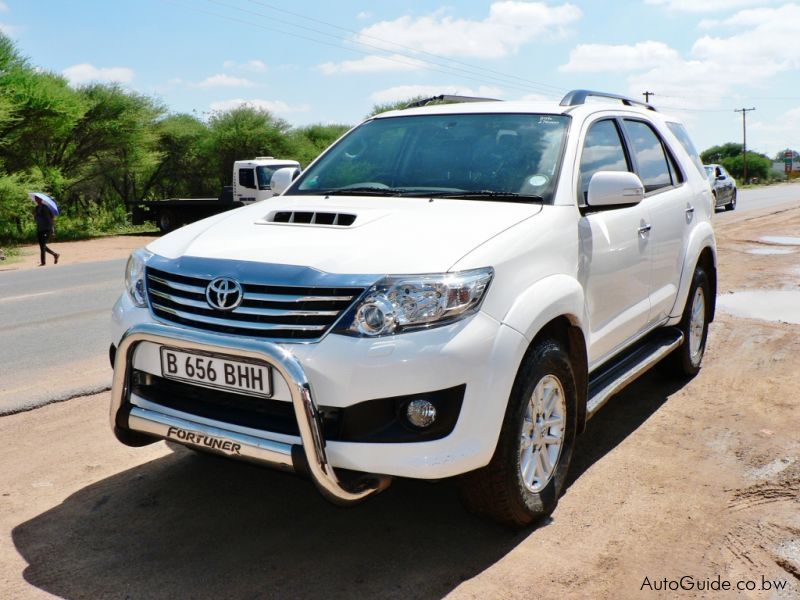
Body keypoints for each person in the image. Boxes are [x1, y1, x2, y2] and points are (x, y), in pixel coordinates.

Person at [34, 197, 60, 266]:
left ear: (41, 200)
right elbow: (35, 218)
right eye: (36, 199)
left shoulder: (45, 208)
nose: (36, 200)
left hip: (47, 229)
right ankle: (55, 254)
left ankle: (43, 262)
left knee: (42, 245)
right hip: (40, 228)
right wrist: (36, 216)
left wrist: (52, 230)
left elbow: (50, 220)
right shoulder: (36, 208)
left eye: (38, 199)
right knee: (42, 246)